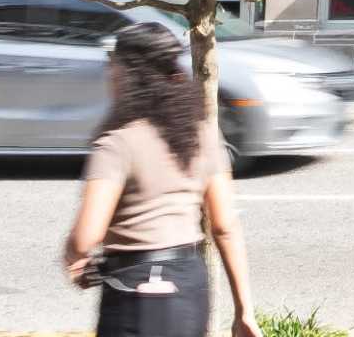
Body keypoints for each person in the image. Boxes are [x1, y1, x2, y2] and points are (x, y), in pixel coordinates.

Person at [64, 21, 261, 337]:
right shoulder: (203, 133)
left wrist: (73, 258)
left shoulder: (117, 142)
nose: (109, 76)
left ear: (127, 74)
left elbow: (86, 237)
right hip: (190, 284)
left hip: (134, 291)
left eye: (112, 68)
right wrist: (244, 311)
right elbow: (224, 226)